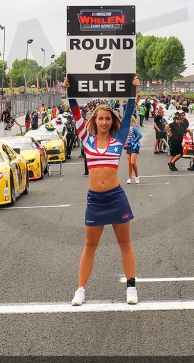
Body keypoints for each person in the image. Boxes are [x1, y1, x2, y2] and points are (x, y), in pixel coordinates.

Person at [62, 76, 140, 306]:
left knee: (125, 243)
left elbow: (128, 114)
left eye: (107, 118)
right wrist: (70, 92)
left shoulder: (119, 138)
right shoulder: (86, 139)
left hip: (116, 197)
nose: (104, 122)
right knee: (90, 246)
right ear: (94, 121)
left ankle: (131, 287)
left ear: (111, 120)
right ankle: (80, 290)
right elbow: (76, 112)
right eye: (100, 118)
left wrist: (134, 90)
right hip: (95, 200)